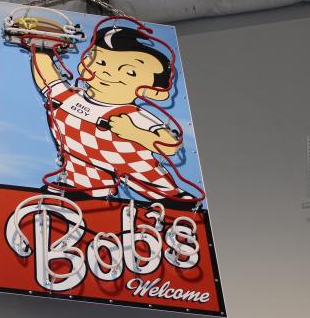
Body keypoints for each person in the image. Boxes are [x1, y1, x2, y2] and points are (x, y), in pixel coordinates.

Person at [25, 25, 192, 200]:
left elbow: (170, 145)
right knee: (82, 180)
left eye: (130, 72)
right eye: (101, 62)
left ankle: (174, 201)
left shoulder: (134, 115)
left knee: (158, 189)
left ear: (155, 92)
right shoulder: (69, 96)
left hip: (131, 166)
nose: (107, 72)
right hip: (81, 165)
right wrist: (41, 48)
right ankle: (87, 194)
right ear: (83, 64)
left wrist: (134, 133)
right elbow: (48, 78)